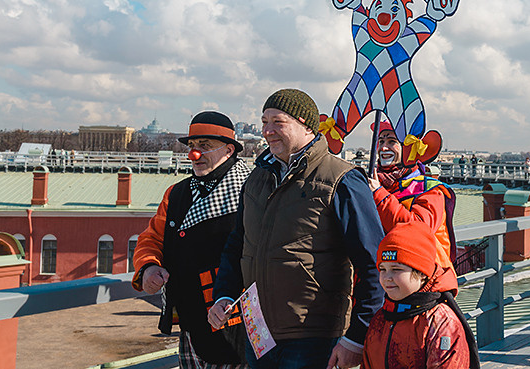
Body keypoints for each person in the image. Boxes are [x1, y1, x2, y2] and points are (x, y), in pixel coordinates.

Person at [209, 89, 385, 369]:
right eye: (264, 122)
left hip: (313, 337)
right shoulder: (256, 179)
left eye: (277, 122)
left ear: (306, 126)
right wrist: (224, 294)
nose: (267, 131)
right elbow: (238, 245)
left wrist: (357, 337)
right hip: (259, 335)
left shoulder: (341, 179)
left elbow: (374, 263)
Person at [132, 111, 251, 369]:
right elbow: (151, 239)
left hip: (238, 328)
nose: (194, 154)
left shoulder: (252, 192)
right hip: (191, 328)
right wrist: (148, 266)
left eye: (204, 146)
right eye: (192, 146)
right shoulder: (176, 194)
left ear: (229, 150)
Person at [362, 221, 478, 369]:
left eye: (396, 269)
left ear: (422, 273)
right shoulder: (381, 318)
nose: (387, 277)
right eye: (382, 269)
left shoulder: (441, 322)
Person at [367, 121, 457, 270]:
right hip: (386, 273)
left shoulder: (429, 190)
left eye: (392, 141)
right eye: (381, 141)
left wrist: (379, 195)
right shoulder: (375, 184)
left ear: (408, 149)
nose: (383, 147)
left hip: (424, 277)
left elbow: (417, 230)